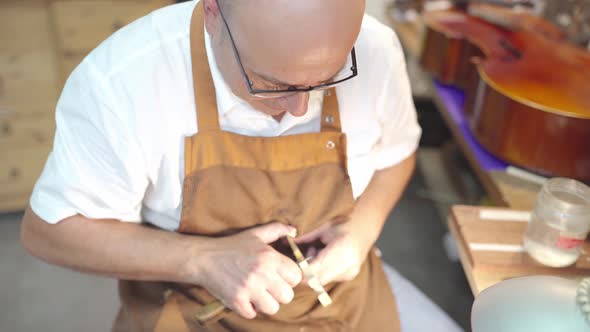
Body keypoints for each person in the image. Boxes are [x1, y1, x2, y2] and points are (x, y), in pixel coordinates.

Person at [20, 0, 461, 331]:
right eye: (271, 83)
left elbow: (398, 153)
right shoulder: (124, 83)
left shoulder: (376, 49)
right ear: (213, 13)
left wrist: (361, 232)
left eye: (327, 79)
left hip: (341, 298)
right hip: (196, 305)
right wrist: (201, 259)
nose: (299, 107)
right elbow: (50, 232)